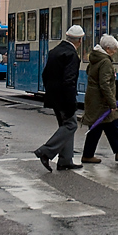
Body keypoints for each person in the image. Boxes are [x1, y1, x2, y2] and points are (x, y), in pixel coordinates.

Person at [34, 25, 85, 171]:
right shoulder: (71, 55)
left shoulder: (54, 51)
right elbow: (69, 81)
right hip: (64, 98)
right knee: (71, 125)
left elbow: (45, 75)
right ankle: (45, 151)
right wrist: (71, 103)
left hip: (54, 97)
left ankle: (65, 160)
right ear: (79, 40)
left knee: (65, 126)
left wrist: (51, 91)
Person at [80, 35, 118, 164]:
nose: (115, 52)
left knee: (112, 124)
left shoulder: (96, 58)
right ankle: (88, 155)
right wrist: (112, 103)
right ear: (108, 48)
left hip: (97, 99)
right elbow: (104, 84)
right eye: (114, 49)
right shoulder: (105, 61)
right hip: (101, 102)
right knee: (97, 127)